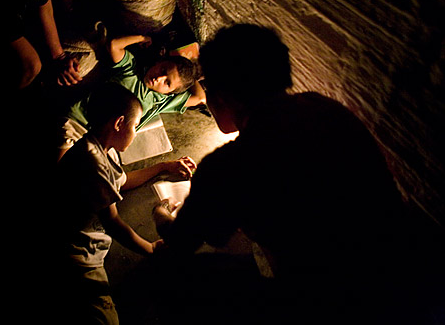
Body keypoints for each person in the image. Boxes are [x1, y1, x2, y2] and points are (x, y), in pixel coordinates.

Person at [152, 24, 441, 324]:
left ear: (223, 97)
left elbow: (181, 240)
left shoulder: (230, 166)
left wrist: (161, 216)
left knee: (174, 274)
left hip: (343, 304)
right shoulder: (326, 109)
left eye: (209, 87)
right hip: (414, 275)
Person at [59, 82, 197, 324]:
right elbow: (113, 223)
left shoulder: (101, 148)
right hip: (76, 251)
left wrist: (164, 166)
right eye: (135, 126)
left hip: (90, 241)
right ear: (119, 123)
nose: (135, 132)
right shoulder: (92, 165)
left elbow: (121, 182)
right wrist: (151, 249)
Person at [57, 34, 206, 160]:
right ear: (159, 62)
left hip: (102, 142)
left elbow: (200, 98)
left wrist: (191, 74)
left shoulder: (163, 101)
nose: (159, 78)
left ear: (171, 92)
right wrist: (142, 38)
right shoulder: (131, 69)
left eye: (167, 82)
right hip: (79, 122)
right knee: (62, 166)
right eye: (163, 69)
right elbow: (114, 45)